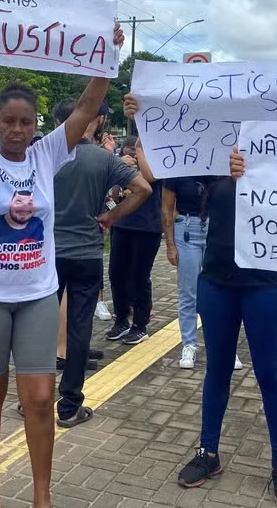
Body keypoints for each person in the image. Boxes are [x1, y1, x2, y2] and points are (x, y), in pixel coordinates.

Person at [0, 0, 124, 508]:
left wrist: (106, 58)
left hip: (37, 294)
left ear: (36, 125)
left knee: (39, 399)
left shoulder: (46, 154)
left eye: (26, 122)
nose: (17, 130)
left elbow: (86, 108)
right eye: (8, 122)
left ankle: (42, 495)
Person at [122, 88, 277, 506]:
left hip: (264, 284)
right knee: (217, 371)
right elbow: (156, 170)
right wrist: (141, 120)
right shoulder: (209, 164)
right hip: (216, 283)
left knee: (269, 375)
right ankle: (208, 451)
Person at [51, 98, 152, 428]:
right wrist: (110, 216)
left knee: (37, 328)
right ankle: (69, 405)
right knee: (80, 329)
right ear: (85, 121)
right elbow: (142, 188)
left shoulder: (42, 154)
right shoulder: (103, 158)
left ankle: (32, 400)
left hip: (44, 254)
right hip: (87, 253)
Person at [104, 136, 162, 346]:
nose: (131, 156)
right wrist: (121, 169)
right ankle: (121, 320)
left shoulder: (155, 161)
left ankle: (140, 324)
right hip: (122, 224)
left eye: (134, 152)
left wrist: (140, 150)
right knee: (116, 274)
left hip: (147, 226)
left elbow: (150, 178)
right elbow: (115, 194)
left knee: (139, 277)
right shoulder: (122, 165)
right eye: (127, 152)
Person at [161, 175, 213, 369]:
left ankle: (222, 345)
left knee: (217, 291)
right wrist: (170, 245)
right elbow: (166, 207)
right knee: (188, 291)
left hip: (215, 227)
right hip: (186, 227)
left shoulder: (217, 163)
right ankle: (189, 344)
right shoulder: (178, 167)